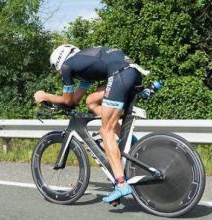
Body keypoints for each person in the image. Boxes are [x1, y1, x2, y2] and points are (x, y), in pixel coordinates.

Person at [34, 44, 143, 204]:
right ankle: (129, 141)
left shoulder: (67, 66)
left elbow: (67, 99)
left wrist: (45, 96)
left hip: (119, 74)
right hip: (132, 71)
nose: (60, 73)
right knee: (91, 101)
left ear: (58, 61)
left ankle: (121, 184)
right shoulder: (84, 65)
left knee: (106, 131)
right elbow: (76, 99)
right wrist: (65, 102)